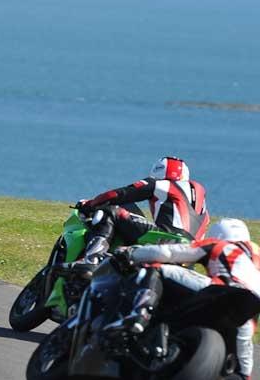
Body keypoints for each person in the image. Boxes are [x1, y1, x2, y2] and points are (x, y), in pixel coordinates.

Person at [113, 219, 260, 380]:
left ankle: (139, 317)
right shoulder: (255, 264)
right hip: (246, 320)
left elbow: (167, 253)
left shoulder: (220, 246)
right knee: (241, 374)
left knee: (157, 270)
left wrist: (132, 253)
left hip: (223, 290)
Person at [78, 156, 209, 264]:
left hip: (167, 237)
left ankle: (92, 259)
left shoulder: (161, 184)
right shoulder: (199, 195)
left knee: (111, 211)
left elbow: (120, 194)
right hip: (192, 251)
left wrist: (90, 204)